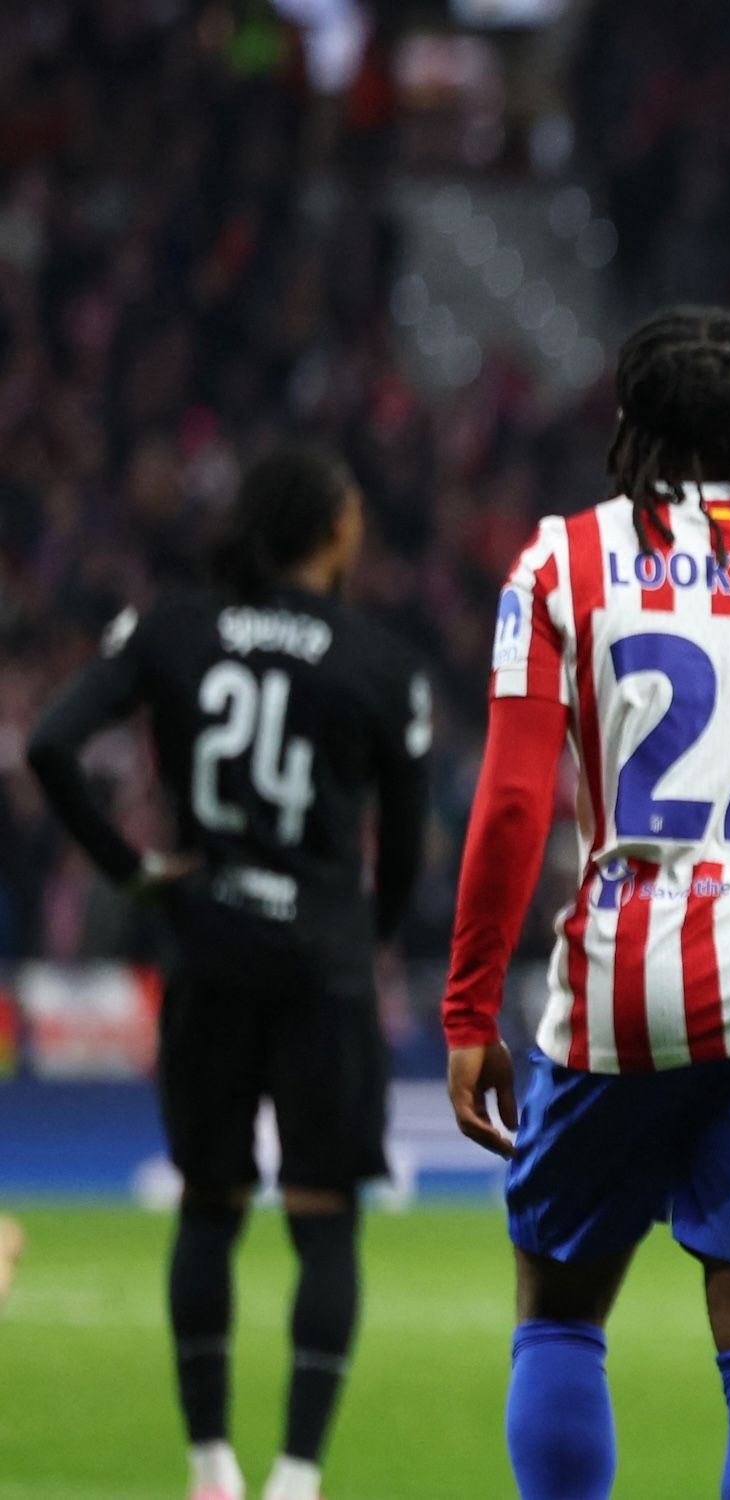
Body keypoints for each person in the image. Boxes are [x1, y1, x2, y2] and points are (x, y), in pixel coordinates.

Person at [438, 305, 730, 1500]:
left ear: (629, 428)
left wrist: (466, 1010)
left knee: (559, 1312)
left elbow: (510, 805)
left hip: (623, 988)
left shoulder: (563, 561)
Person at [26, 445, 432, 1500]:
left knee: (210, 1206)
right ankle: (296, 1475)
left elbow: (51, 745)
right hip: (322, 968)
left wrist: (137, 874)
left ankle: (210, 1464)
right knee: (324, 1215)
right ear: (335, 531)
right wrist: (368, 933)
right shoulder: (378, 661)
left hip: (207, 951)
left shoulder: (173, 628)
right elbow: (411, 834)